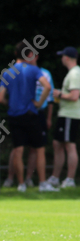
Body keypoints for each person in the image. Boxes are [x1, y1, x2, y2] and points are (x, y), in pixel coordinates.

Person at [0, 41, 57, 192]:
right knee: (39, 149)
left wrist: (9, 103)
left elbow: (0, 98)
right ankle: (43, 183)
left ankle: (21, 184)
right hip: (31, 114)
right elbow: (48, 87)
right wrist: (39, 103)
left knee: (18, 149)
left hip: (14, 115)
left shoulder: (8, 72)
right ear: (28, 54)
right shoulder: (34, 69)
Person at [47, 46, 80, 188]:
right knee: (58, 144)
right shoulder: (74, 72)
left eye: (62, 56)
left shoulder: (74, 73)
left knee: (69, 145)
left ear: (67, 57)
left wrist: (59, 94)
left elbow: (74, 96)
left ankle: (70, 179)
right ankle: (55, 177)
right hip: (67, 115)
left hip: (70, 115)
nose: (61, 59)